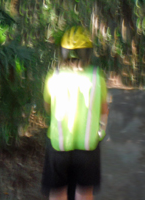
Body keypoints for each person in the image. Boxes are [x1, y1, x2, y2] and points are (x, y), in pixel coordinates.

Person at [41, 26, 108, 200]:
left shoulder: (53, 76)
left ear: (63, 53)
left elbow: (48, 107)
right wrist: (101, 130)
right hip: (88, 146)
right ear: (87, 53)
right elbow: (103, 110)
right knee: (84, 192)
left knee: (57, 192)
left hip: (58, 145)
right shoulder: (96, 76)